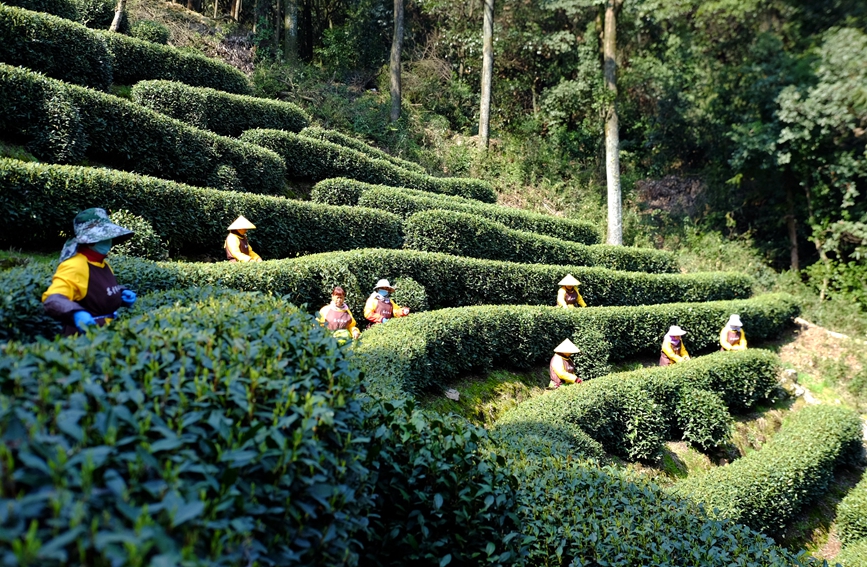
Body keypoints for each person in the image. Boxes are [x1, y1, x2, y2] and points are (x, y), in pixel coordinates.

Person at [42, 208, 137, 336]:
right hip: (84, 338)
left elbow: (95, 289)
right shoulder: (75, 265)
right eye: (104, 237)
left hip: (106, 332)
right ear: (90, 241)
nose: (109, 241)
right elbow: (52, 299)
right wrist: (76, 313)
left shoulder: (103, 263)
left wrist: (120, 293)